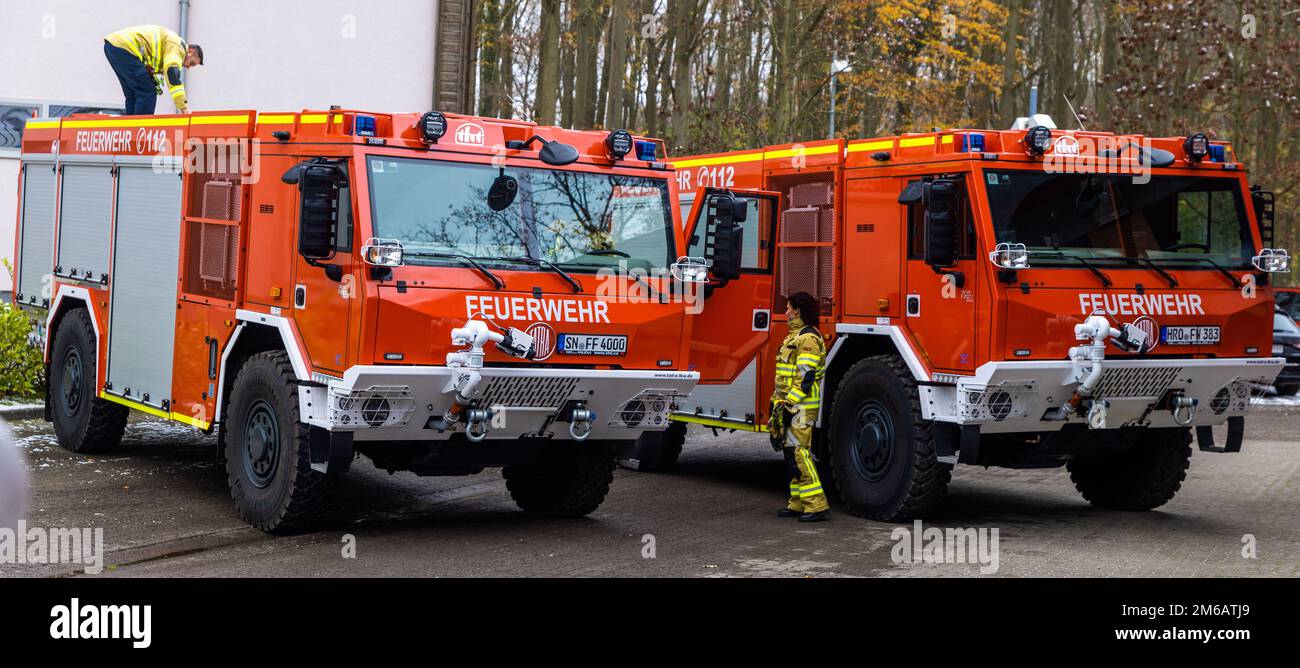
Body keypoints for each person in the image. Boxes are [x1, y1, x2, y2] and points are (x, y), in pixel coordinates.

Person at [770, 292, 830, 522]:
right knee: (790, 455)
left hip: (800, 408)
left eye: (788, 308)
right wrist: (778, 403)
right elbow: (786, 377)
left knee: (799, 454)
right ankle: (798, 503)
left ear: (798, 311)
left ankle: (816, 505)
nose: (785, 312)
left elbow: (805, 378)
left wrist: (790, 404)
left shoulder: (808, 339)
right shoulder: (796, 337)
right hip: (790, 406)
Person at [103, 25, 203, 115]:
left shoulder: (172, 41)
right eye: (192, 63)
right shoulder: (178, 47)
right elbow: (171, 71)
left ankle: (131, 129)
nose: (189, 67)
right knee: (147, 92)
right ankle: (141, 130)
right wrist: (183, 108)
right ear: (190, 51)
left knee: (133, 94)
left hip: (113, 46)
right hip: (126, 48)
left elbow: (150, 52)